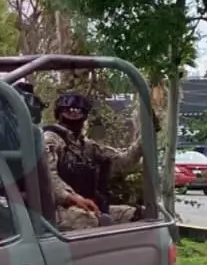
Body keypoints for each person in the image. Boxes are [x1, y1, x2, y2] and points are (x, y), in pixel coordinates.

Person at [43, 92, 143, 230]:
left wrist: (143, 140)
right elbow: (48, 176)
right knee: (87, 220)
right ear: (58, 113)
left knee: (137, 215)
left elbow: (123, 162)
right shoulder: (50, 139)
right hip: (56, 210)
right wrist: (72, 198)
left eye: (78, 111)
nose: (74, 114)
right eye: (68, 110)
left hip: (88, 206)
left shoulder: (88, 146)